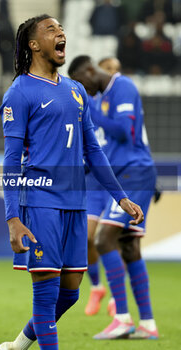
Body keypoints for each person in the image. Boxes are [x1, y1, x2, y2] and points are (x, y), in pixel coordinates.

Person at [0, 14, 144, 350]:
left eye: (61, 29)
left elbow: (93, 150)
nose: (60, 33)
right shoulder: (19, 92)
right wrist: (12, 217)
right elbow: (11, 160)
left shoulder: (77, 91)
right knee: (47, 295)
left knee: (71, 291)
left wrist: (120, 197)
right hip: (39, 202)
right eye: (51, 30)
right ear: (33, 45)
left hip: (75, 202)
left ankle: (19, 344)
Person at [68, 55, 159, 340]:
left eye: (82, 83)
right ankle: (148, 323)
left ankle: (121, 317)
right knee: (129, 247)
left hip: (134, 173)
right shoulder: (103, 96)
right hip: (122, 176)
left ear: (89, 71)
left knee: (103, 239)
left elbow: (124, 132)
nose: (84, 90)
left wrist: (89, 111)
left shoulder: (123, 88)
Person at [84, 56, 122, 317]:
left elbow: (132, 136)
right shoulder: (84, 101)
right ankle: (97, 287)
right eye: (109, 70)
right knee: (87, 238)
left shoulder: (122, 102)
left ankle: (118, 298)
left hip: (116, 180)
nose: (113, 75)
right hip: (90, 182)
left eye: (117, 71)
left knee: (109, 239)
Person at [0, 0, 15, 93]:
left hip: (7, 49)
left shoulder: (0, 18)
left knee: (8, 71)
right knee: (6, 71)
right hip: (5, 50)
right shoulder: (1, 19)